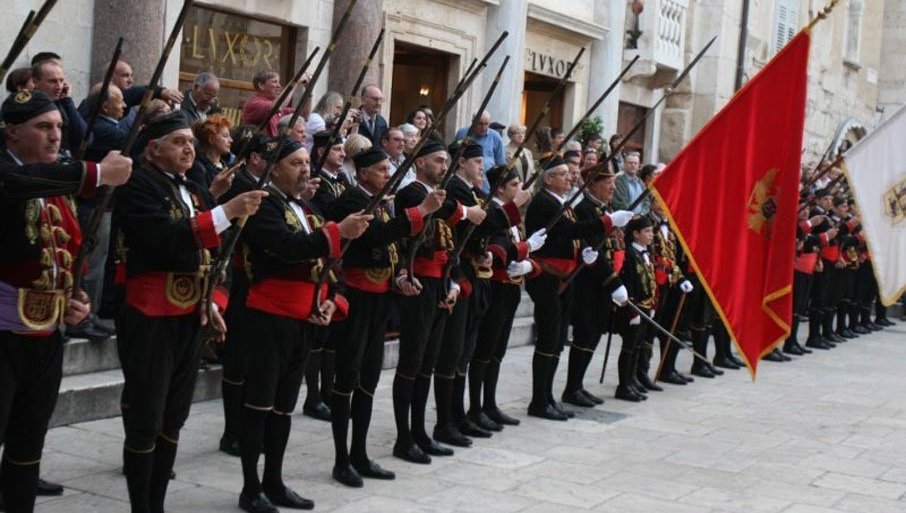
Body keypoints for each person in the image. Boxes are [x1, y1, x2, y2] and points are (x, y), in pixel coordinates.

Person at [114, 112, 268, 513]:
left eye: (189, 142)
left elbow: (214, 255)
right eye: (178, 141)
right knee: (147, 417)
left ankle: (157, 503)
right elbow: (164, 237)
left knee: (174, 417)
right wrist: (226, 211)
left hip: (190, 314)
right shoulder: (138, 184)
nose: (188, 148)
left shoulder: (195, 188)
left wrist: (211, 301)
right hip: (150, 315)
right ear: (153, 149)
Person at [0, 89, 132, 513]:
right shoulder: (11, 173)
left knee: (28, 441)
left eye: (59, 126)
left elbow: (62, 254)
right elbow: (15, 185)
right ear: (11, 132)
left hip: (46, 336)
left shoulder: (58, 182)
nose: (56, 135)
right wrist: (97, 172)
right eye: (43, 126)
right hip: (3, 336)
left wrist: (74, 299)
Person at [236, 137, 370, 512]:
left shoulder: (306, 208)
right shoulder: (263, 204)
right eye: (296, 163)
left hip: (304, 317)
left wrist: (331, 298)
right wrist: (338, 232)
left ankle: (274, 481)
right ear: (274, 167)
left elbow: (330, 264)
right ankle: (250, 487)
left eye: (306, 162)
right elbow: (288, 247)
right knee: (259, 405)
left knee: (284, 407)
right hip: (269, 316)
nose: (305, 169)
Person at [326, 146, 444, 487]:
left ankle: (360, 454)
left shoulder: (378, 203)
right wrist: (421, 210)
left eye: (388, 168)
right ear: (363, 173)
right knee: (347, 379)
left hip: (379, 300)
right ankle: (342, 459)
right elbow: (377, 236)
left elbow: (388, 251)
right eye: (381, 169)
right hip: (357, 300)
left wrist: (399, 277)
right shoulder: (352, 200)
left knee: (368, 380)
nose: (388, 174)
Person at [391, 141, 486, 464]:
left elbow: (450, 245)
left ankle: (420, 431)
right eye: (437, 160)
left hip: (440, 283)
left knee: (427, 364)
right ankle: (404, 437)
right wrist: (466, 212)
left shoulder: (438, 195)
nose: (444, 166)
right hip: (419, 283)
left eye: (446, 161)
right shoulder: (412, 193)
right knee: (411, 363)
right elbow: (436, 211)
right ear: (419, 162)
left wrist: (454, 283)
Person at [524, 156, 632, 419]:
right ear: (548, 178)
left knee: (557, 342)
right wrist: (608, 222)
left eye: (568, 173)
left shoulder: (562, 203)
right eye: (562, 174)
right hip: (548, 278)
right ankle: (539, 401)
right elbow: (570, 230)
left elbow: (573, 236)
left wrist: (584, 252)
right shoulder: (544, 202)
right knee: (548, 340)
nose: (569, 177)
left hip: (565, 278)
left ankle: (548, 397)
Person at [469, 165, 543, 427]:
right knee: (485, 349)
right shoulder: (494, 212)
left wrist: (527, 262)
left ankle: (490, 403)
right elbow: (497, 247)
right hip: (495, 288)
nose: (519, 189)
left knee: (498, 351)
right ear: (499, 189)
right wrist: (525, 247)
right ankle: (476, 407)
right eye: (514, 185)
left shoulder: (512, 215)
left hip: (511, 288)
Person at [67, 82, 130, 342]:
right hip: (94, 205)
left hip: (102, 205)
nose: (125, 106)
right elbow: (129, 138)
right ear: (104, 107)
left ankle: (88, 314)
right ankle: (83, 317)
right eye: (119, 101)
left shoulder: (104, 125)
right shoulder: (106, 130)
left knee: (97, 262)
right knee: (91, 265)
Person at [563, 168, 627, 407]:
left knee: (595, 334)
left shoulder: (603, 209)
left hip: (603, 285)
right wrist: (613, 281)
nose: (613, 187)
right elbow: (592, 251)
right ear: (593, 185)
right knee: (585, 334)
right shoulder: (585, 210)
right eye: (608, 183)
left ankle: (578, 385)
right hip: (589, 284)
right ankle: (572, 388)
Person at [454, 111, 506, 194]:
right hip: (463, 183)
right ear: (473, 122)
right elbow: (455, 157)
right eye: (480, 124)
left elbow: (500, 165)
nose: (483, 127)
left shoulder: (495, 137)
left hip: (486, 186)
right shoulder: (462, 133)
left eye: (486, 124)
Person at [188, 114, 236, 199]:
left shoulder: (226, 165)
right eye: (225, 136)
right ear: (211, 139)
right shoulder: (198, 169)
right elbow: (201, 201)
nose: (231, 140)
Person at [241, 70, 294, 136]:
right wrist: (295, 83)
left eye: (279, 82)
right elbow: (278, 106)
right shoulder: (253, 103)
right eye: (274, 82)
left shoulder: (274, 105)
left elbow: (302, 114)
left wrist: (306, 89)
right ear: (261, 85)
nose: (279, 86)